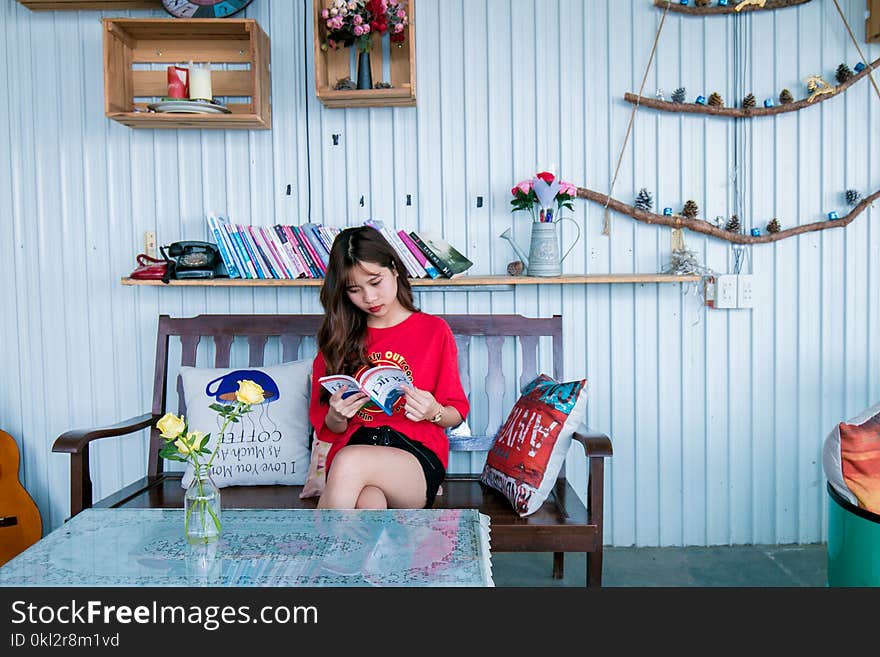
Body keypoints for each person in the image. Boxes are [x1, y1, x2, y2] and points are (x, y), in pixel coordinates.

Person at [308, 226, 469, 510]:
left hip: (415, 457)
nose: (369, 298)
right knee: (369, 503)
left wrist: (434, 412)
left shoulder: (433, 331)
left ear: (394, 268)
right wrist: (336, 414)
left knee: (350, 461)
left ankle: (316, 553)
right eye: (354, 290)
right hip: (355, 450)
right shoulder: (338, 339)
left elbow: (454, 413)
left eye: (375, 282)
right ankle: (365, 556)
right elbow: (330, 429)